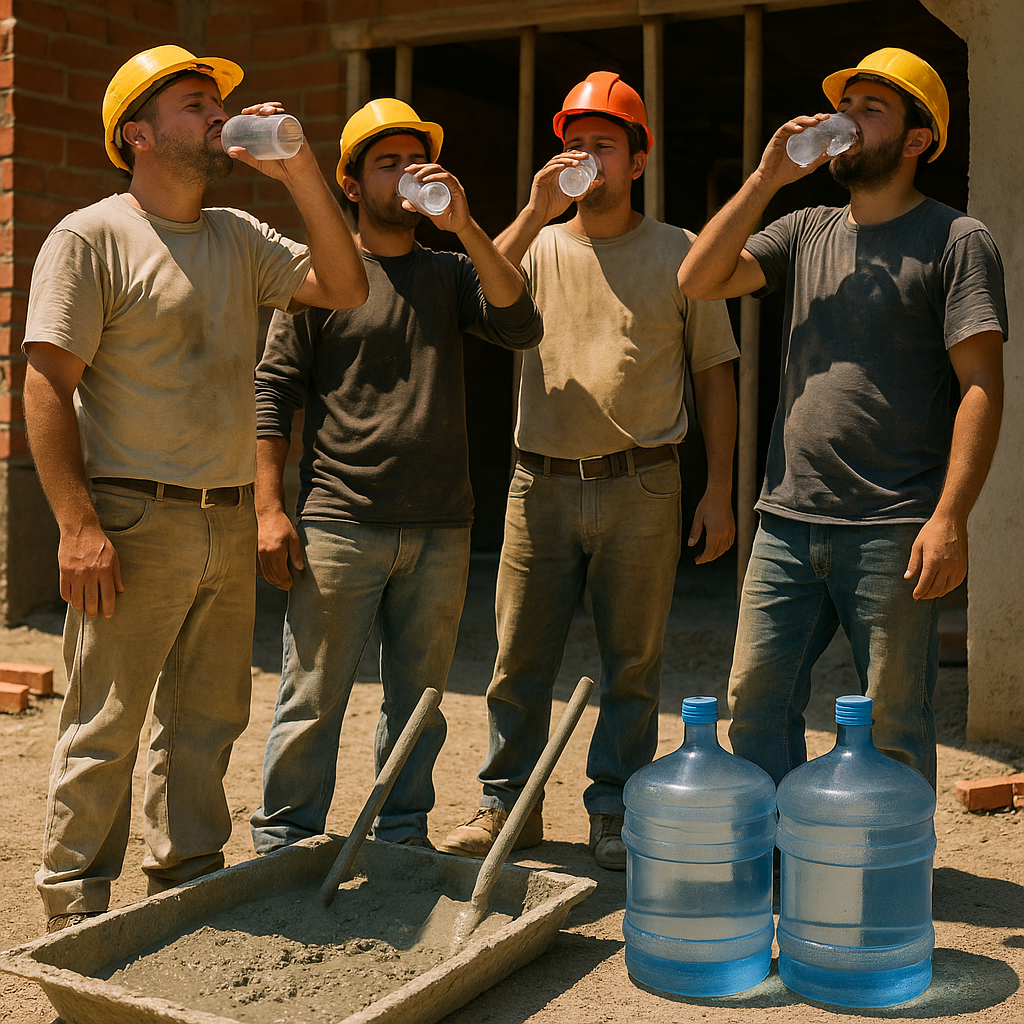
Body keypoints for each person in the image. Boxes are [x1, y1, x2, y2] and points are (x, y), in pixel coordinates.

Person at [23, 45, 368, 933]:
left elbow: (347, 284)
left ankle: (186, 885)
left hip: (224, 514)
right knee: (106, 721)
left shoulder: (237, 236)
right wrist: (75, 525)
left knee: (208, 719)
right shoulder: (92, 235)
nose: (218, 116)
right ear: (137, 134)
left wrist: (298, 174)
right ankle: (75, 909)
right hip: (133, 517)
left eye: (219, 102)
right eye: (193, 104)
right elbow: (43, 385)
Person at [677, 48, 1007, 789]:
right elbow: (698, 278)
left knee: (894, 720)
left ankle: (885, 882)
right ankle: (775, 869)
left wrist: (950, 517)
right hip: (788, 521)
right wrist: (767, 178)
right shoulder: (803, 228)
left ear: (918, 140)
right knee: (755, 705)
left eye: (870, 110)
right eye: (843, 106)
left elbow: (982, 384)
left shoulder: (957, 241)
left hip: (894, 527)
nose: (844, 122)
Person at [439, 72, 739, 870]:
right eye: (575, 144)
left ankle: (616, 807)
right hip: (538, 482)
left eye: (604, 144)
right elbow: (476, 299)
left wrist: (718, 490)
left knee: (633, 665)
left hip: (646, 482)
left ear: (637, 161)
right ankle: (508, 806)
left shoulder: (681, 253)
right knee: (516, 660)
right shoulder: (537, 243)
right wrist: (535, 208)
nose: (587, 158)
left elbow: (716, 372)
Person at [248, 100, 543, 854]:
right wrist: (269, 508)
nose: (409, 177)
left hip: (442, 527)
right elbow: (274, 388)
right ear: (350, 184)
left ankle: (402, 837)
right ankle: (283, 843)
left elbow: (519, 325)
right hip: (341, 520)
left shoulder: (448, 272)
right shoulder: (317, 278)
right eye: (389, 164)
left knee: (421, 703)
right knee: (313, 697)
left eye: (419, 163)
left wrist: (469, 226)